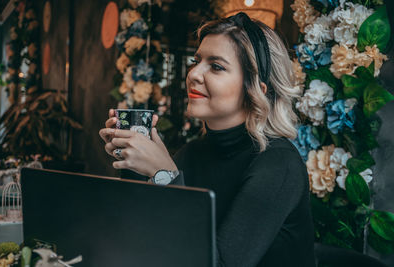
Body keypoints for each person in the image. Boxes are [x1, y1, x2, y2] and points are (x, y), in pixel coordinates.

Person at [99, 12, 316, 267]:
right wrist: (133, 164)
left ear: (255, 89)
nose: (193, 74)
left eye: (216, 66)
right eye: (196, 60)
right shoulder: (192, 153)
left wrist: (165, 175)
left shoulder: (279, 165)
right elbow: (144, 236)